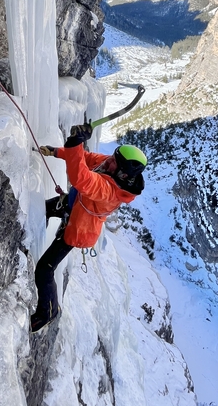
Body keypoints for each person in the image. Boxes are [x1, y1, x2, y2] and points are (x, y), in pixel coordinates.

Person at [30, 122, 147, 332]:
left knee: (44, 270)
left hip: (78, 228)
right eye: (112, 158)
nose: (108, 161)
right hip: (73, 205)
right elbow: (87, 158)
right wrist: (56, 152)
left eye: (113, 163)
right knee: (39, 211)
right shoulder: (113, 166)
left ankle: (48, 312)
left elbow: (81, 178)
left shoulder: (110, 191)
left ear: (125, 175)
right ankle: (29, 237)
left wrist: (75, 142)